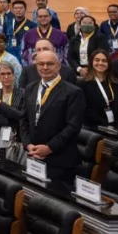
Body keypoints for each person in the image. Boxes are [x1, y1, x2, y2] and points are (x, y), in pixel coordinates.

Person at [21, 50, 86, 193]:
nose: (45, 67)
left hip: (60, 161)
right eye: (41, 64)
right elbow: (24, 119)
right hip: (34, 155)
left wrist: (49, 148)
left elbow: (73, 127)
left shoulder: (73, 92)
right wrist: (27, 144)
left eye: (50, 64)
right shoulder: (30, 88)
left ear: (58, 66)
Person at [81, 48, 118, 129]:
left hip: (116, 129)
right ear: (91, 62)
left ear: (109, 63)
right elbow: (82, 110)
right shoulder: (83, 84)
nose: (100, 63)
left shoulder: (117, 83)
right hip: (94, 129)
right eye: (97, 60)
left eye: (104, 61)